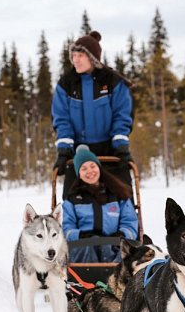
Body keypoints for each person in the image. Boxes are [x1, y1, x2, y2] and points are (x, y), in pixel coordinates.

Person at [51, 30, 133, 197]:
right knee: (72, 198)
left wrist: (120, 145)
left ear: (93, 58)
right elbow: (61, 119)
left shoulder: (112, 81)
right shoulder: (66, 84)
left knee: (122, 194)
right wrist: (64, 151)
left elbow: (122, 114)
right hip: (78, 151)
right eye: (73, 56)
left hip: (110, 148)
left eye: (80, 55)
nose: (75, 60)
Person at [62, 145, 138, 263]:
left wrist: (122, 234)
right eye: (84, 168)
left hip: (115, 245)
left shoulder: (118, 194)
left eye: (93, 166)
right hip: (84, 247)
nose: (90, 171)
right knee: (86, 250)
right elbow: (67, 228)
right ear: (79, 174)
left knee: (125, 255)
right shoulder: (72, 199)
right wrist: (81, 235)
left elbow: (130, 222)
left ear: (99, 168)